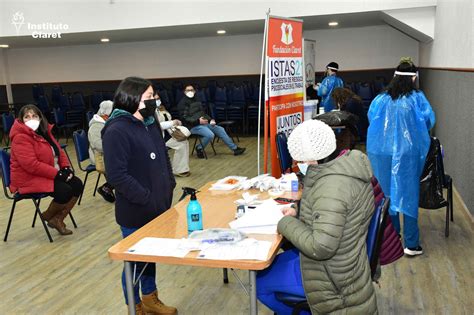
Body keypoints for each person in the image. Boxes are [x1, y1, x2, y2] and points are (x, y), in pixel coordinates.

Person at [257, 120, 377, 314]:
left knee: (259, 282)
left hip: (332, 277)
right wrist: (298, 210)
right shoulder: (344, 168)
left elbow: (320, 247)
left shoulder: (332, 188)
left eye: (301, 162)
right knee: (270, 266)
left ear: (312, 159)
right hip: (346, 263)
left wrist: (285, 223)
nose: (300, 166)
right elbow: (329, 212)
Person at [102, 77, 177, 315]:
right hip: (136, 209)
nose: (154, 101)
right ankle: (135, 307)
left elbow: (162, 154)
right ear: (132, 98)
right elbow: (117, 176)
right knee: (134, 264)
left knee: (149, 258)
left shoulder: (149, 120)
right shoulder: (116, 129)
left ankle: (150, 298)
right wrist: (146, 198)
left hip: (159, 206)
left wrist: (170, 184)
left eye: (154, 96)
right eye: (149, 97)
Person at [367, 58, 435, 256]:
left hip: (381, 152)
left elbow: (372, 118)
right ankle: (411, 244)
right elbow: (429, 119)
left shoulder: (381, 98)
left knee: (387, 193)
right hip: (408, 154)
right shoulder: (417, 98)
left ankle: (392, 236)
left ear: (395, 77)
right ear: (414, 77)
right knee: (409, 193)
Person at [9, 104, 83, 235]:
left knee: (77, 184)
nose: (31, 119)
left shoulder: (44, 132)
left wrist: (66, 168)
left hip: (45, 173)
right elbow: (31, 165)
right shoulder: (20, 137)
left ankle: (58, 219)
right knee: (64, 191)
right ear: (21, 120)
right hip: (28, 178)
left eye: (34, 116)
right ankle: (47, 216)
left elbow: (59, 151)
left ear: (40, 118)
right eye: (27, 117)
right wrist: (58, 174)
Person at [177, 84, 245, 159]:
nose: (190, 91)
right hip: (192, 126)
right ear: (184, 92)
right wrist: (198, 121)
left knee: (220, 129)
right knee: (210, 135)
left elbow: (202, 113)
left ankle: (235, 149)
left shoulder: (197, 100)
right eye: (188, 90)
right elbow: (184, 118)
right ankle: (199, 148)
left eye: (192, 90)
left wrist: (210, 119)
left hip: (202, 123)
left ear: (195, 91)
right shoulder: (182, 103)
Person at [154, 91, 191, 177]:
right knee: (181, 144)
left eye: (158, 98)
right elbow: (158, 126)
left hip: (169, 134)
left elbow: (168, 120)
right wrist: (172, 122)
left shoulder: (161, 108)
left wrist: (175, 123)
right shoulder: (151, 112)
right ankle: (178, 169)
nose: (158, 100)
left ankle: (181, 169)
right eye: (155, 99)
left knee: (184, 142)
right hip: (159, 138)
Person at [88, 100, 116, 202]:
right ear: (105, 113)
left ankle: (109, 186)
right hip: (99, 156)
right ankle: (106, 187)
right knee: (124, 167)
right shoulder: (96, 126)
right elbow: (98, 145)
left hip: (108, 154)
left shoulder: (106, 123)